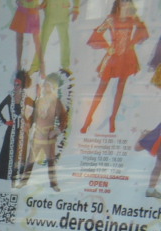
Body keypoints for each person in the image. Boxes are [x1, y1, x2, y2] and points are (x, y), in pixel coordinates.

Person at [81, 0, 149, 134]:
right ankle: (88, 118)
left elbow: (143, 31)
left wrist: (133, 42)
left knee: (120, 88)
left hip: (127, 57)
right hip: (113, 58)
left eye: (127, 2)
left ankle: (113, 118)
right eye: (123, 2)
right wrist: (107, 47)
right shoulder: (111, 19)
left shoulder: (132, 18)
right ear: (117, 4)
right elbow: (97, 33)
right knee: (101, 89)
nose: (125, 4)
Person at [21, 73, 69, 191]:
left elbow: (63, 117)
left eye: (48, 86)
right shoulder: (39, 101)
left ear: (52, 88)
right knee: (30, 160)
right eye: (45, 86)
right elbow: (33, 117)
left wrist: (57, 130)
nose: (46, 88)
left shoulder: (56, 101)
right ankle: (23, 181)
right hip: (38, 135)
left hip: (48, 136)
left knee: (51, 161)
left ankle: (53, 184)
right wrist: (28, 123)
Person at [0, 71, 34, 186]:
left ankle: (14, 179)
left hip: (23, 132)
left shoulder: (27, 99)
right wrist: (5, 122)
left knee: (19, 156)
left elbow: (36, 110)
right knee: (5, 153)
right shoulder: (10, 97)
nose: (15, 86)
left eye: (18, 84)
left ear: (22, 85)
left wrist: (28, 122)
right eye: (14, 84)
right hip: (11, 130)